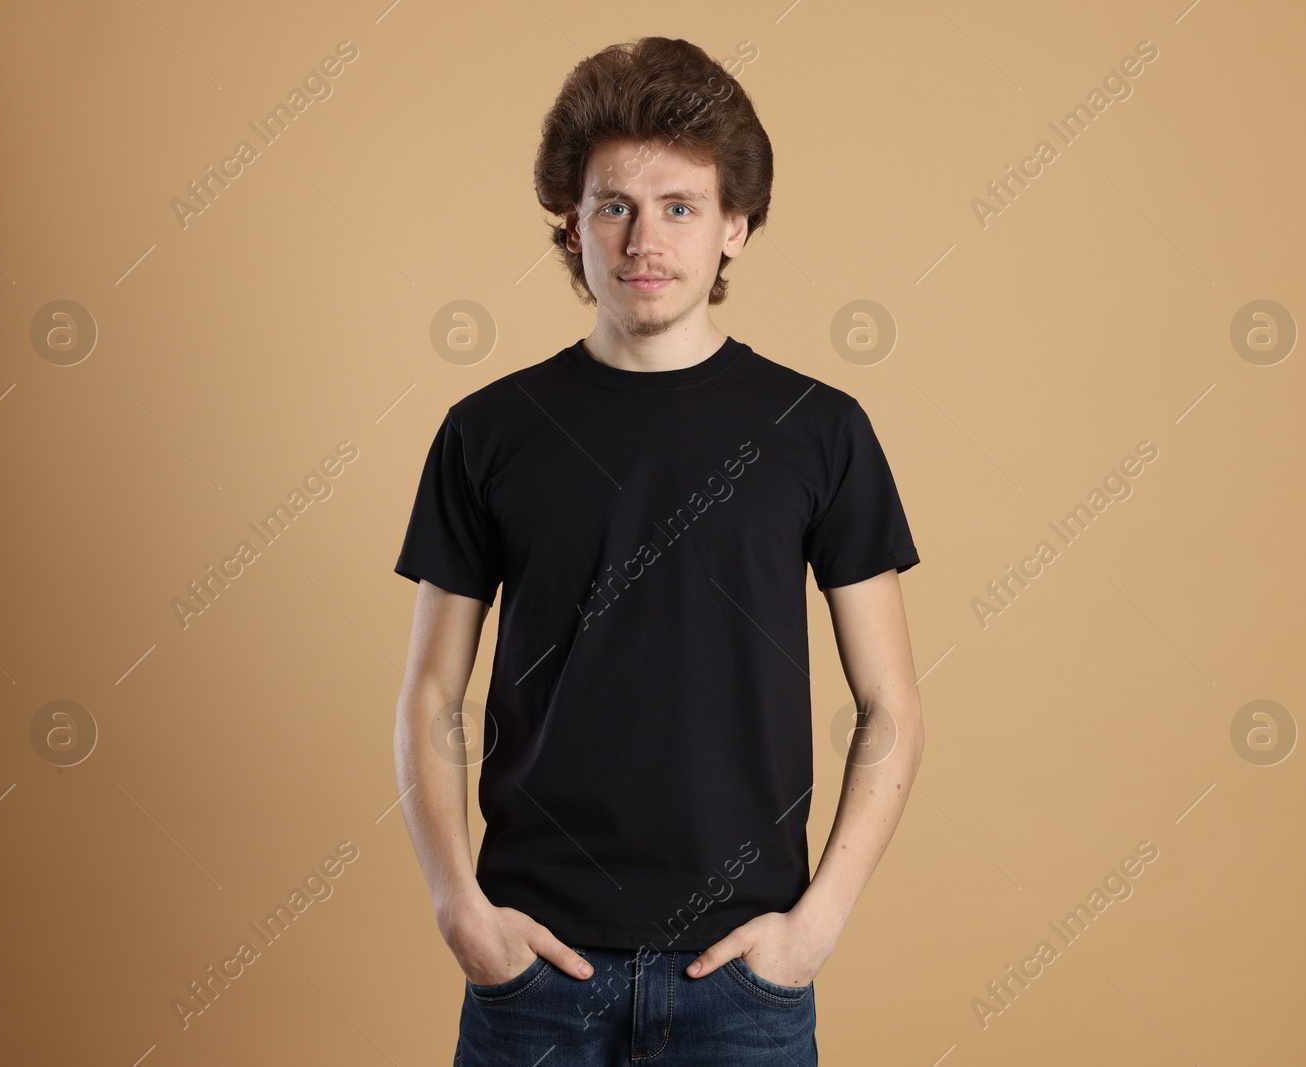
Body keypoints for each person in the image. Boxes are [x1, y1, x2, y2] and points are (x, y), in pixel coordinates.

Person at [393, 36, 923, 1066]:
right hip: (534, 972)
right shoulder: (487, 431)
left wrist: (812, 929)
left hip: (740, 980)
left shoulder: (819, 430)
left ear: (735, 227)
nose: (645, 238)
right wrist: (461, 909)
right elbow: (428, 695)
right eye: (614, 205)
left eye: (680, 206)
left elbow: (892, 704)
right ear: (571, 222)